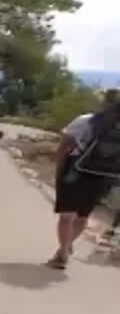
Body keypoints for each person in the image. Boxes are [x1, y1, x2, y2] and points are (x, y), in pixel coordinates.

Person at [49, 89, 120, 269]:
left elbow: (65, 147)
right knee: (82, 217)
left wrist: (58, 172)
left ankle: (63, 253)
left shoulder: (85, 121)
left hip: (75, 171)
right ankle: (65, 248)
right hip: (102, 176)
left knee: (67, 216)